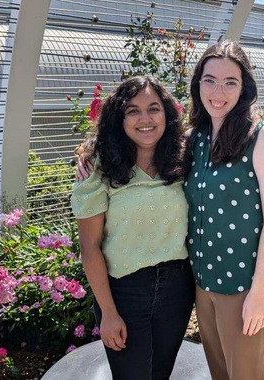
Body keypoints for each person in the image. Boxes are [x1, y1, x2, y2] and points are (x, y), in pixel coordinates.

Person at [71, 76, 194, 380]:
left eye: (154, 109)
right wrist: (108, 313)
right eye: (133, 111)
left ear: (167, 114)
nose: (145, 119)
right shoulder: (99, 168)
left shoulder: (182, 160)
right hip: (125, 292)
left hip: (176, 288)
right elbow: (90, 247)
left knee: (161, 374)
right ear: (119, 118)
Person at [183, 40, 264, 380]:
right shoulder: (196, 139)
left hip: (246, 288)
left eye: (231, 82)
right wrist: (90, 154)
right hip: (206, 286)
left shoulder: (261, 138)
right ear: (198, 83)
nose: (218, 91)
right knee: (221, 374)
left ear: (244, 89)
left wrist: (258, 294)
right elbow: (141, 141)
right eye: (210, 80)